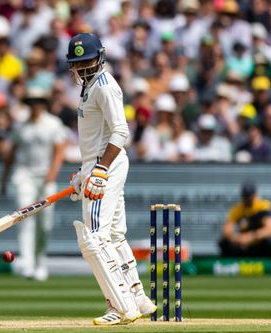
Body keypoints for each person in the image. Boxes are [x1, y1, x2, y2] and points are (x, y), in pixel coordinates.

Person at [66, 33, 155, 326]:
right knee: (115, 235)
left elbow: (120, 132)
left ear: (100, 57)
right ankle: (138, 298)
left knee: (93, 238)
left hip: (108, 164)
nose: (84, 67)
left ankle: (121, 306)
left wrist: (100, 171)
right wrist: (84, 171)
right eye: (78, 63)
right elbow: (96, 138)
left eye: (88, 61)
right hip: (98, 164)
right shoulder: (88, 87)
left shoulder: (104, 86)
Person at [0, 87, 66, 281]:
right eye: (31, 102)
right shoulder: (20, 127)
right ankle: (27, 263)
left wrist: (52, 175)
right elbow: (11, 155)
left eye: (38, 102)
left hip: (46, 178)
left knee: (45, 225)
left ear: (43, 104)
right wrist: (4, 180)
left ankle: (40, 262)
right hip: (24, 176)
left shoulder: (53, 124)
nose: (35, 106)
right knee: (24, 218)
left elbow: (60, 151)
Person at [219, 181, 271, 257]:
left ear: (255, 195)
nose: (247, 199)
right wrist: (238, 238)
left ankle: (269, 265)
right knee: (223, 242)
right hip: (242, 245)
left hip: (258, 244)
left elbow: (270, 230)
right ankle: (229, 266)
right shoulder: (237, 209)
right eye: (245, 196)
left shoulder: (263, 206)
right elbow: (227, 230)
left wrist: (252, 237)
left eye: (249, 196)